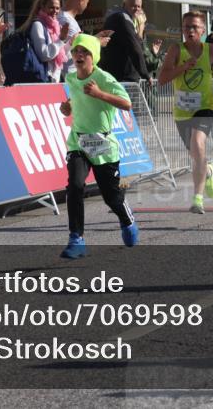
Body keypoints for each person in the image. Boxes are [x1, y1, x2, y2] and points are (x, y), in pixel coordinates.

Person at [58, 33, 139, 259]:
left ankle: (126, 219)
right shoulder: (71, 78)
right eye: (76, 51)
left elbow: (126, 103)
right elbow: (75, 100)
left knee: (111, 198)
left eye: (84, 52)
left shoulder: (104, 78)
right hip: (78, 142)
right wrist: (67, 108)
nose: (79, 55)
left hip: (103, 144)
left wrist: (99, 93)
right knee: (74, 186)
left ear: (94, 57)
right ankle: (77, 239)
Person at [157, 11, 213, 214]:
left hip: (205, 106)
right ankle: (208, 171)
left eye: (194, 27)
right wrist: (183, 67)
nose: (190, 31)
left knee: (198, 144)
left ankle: (197, 199)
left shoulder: (212, 49)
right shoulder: (176, 50)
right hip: (182, 112)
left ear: (202, 30)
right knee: (196, 154)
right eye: (186, 27)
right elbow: (162, 79)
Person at [58, 0, 112, 80]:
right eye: (87, 3)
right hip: (69, 75)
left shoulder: (65, 18)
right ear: (81, 1)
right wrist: (98, 42)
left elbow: (75, 43)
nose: (86, 6)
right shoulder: (67, 20)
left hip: (69, 73)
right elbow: (77, 48)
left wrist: (95, 37)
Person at [99, 0, 150, 83]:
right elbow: (134, 47)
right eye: (133, 6)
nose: (136, 9)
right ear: (124, 5)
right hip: (122, 78)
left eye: (139, 6)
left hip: (115, 75)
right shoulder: (123, 18)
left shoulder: (118, 17)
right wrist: (145, 74)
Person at [21, 0, 69, 83]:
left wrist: (69, 42)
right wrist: (61, 39)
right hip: (43, 78)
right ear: (43, 7)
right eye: (51, 7)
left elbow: (58, 51)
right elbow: (44, 55)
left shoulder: (55, 26)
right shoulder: (38, 25)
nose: (55, 11)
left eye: (57, 8)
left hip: (54, 78)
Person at [134, 8, 164, 77]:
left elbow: (148, 64)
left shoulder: (141, 39)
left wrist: (153, 53)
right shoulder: (137, 40)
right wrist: (161, 58)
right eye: (143, 23)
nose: (144, 26)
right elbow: (152, 64)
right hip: (139, 83)